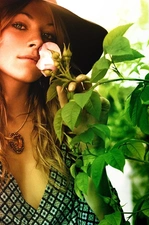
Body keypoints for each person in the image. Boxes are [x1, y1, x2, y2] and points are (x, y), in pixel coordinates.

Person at [0, 0, 120, 224]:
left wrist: (92, 148)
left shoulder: (65, 127)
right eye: (19, 25)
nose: (37, 41)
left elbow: (109, 219)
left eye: (48, 36)